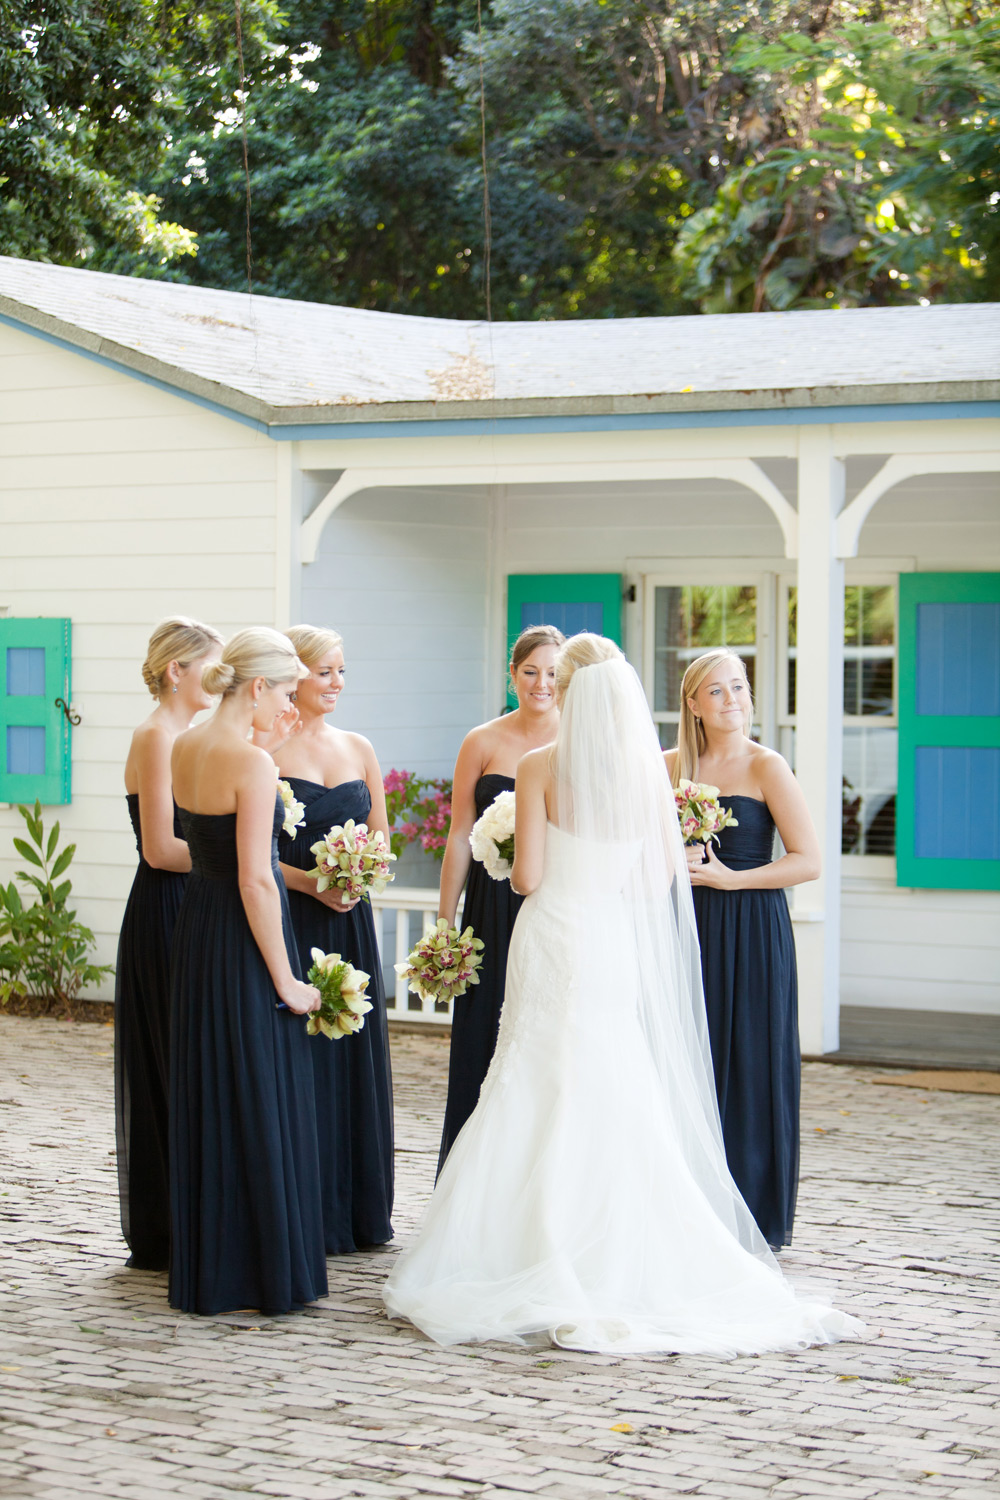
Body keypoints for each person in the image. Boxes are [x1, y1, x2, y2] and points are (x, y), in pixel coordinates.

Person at [383, 634, 862, 1355]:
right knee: (615, 1077)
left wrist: (513, 844)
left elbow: (526, 882)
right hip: (609, 939)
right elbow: (652, 881)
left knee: (531, 1075)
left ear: (568, 692)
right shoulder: (646, 772)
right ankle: (623, 1242)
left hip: (551, 934)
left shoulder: (541, 765)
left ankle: (515, 1244)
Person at [169, 628, 327, 1316]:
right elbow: (258, 881)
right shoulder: (254, 765)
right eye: (286, 694)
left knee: (214, 1087)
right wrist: (288, 979)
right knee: (258, 1086)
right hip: (241, 936)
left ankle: (214, 1262)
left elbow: (201, 839)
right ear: (258, 687)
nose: (290, 708)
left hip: (195, 930)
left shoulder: (187, 745)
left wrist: (266, 743)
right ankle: (260, 1270)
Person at [664, 649, 819, 1250]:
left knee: (752, 1060)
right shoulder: (667, 767)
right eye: (717, 691)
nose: (732, 700)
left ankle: (754, 1213)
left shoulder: (767, 766)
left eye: (739, 687)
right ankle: (687, 1205)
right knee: (688, 1059)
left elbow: (807, 861)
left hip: (754, 928)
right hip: (683, 929)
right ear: (694, 704)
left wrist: (733, 879)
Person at [267, 623, 394, 1256]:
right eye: (326, 672)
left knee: (350, 1052)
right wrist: (311, 884)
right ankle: (303, 1205)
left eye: (342, 671)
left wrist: (357, 874)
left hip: (349, 918)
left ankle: (355, 1208)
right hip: (291, 918)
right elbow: (252, 854)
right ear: (295, 678)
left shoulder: (358, 747)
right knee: (299, 1055)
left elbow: (382, 839)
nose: (337, 683)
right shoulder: (265, 751)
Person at [435, 623, 564, 1172]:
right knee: (482, 1035)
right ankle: (469, 1178)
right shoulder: (482, 740)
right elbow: (461, 834)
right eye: (530, 672)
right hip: (489, 909)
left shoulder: (580, 738)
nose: (541, 683)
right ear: (513, 676)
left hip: (554, 900)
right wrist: (446, 924)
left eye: (553, 673)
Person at [115, 615, 223, 1271]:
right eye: (208, 667)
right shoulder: (156, 735)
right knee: (168, 1063)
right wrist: (240, 854)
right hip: (167, 909)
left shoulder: (199, 736)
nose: (217, 680)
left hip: (203, 904)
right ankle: (172, 1225)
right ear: (175, 671)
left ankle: (207, 1212)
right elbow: (160, 847)